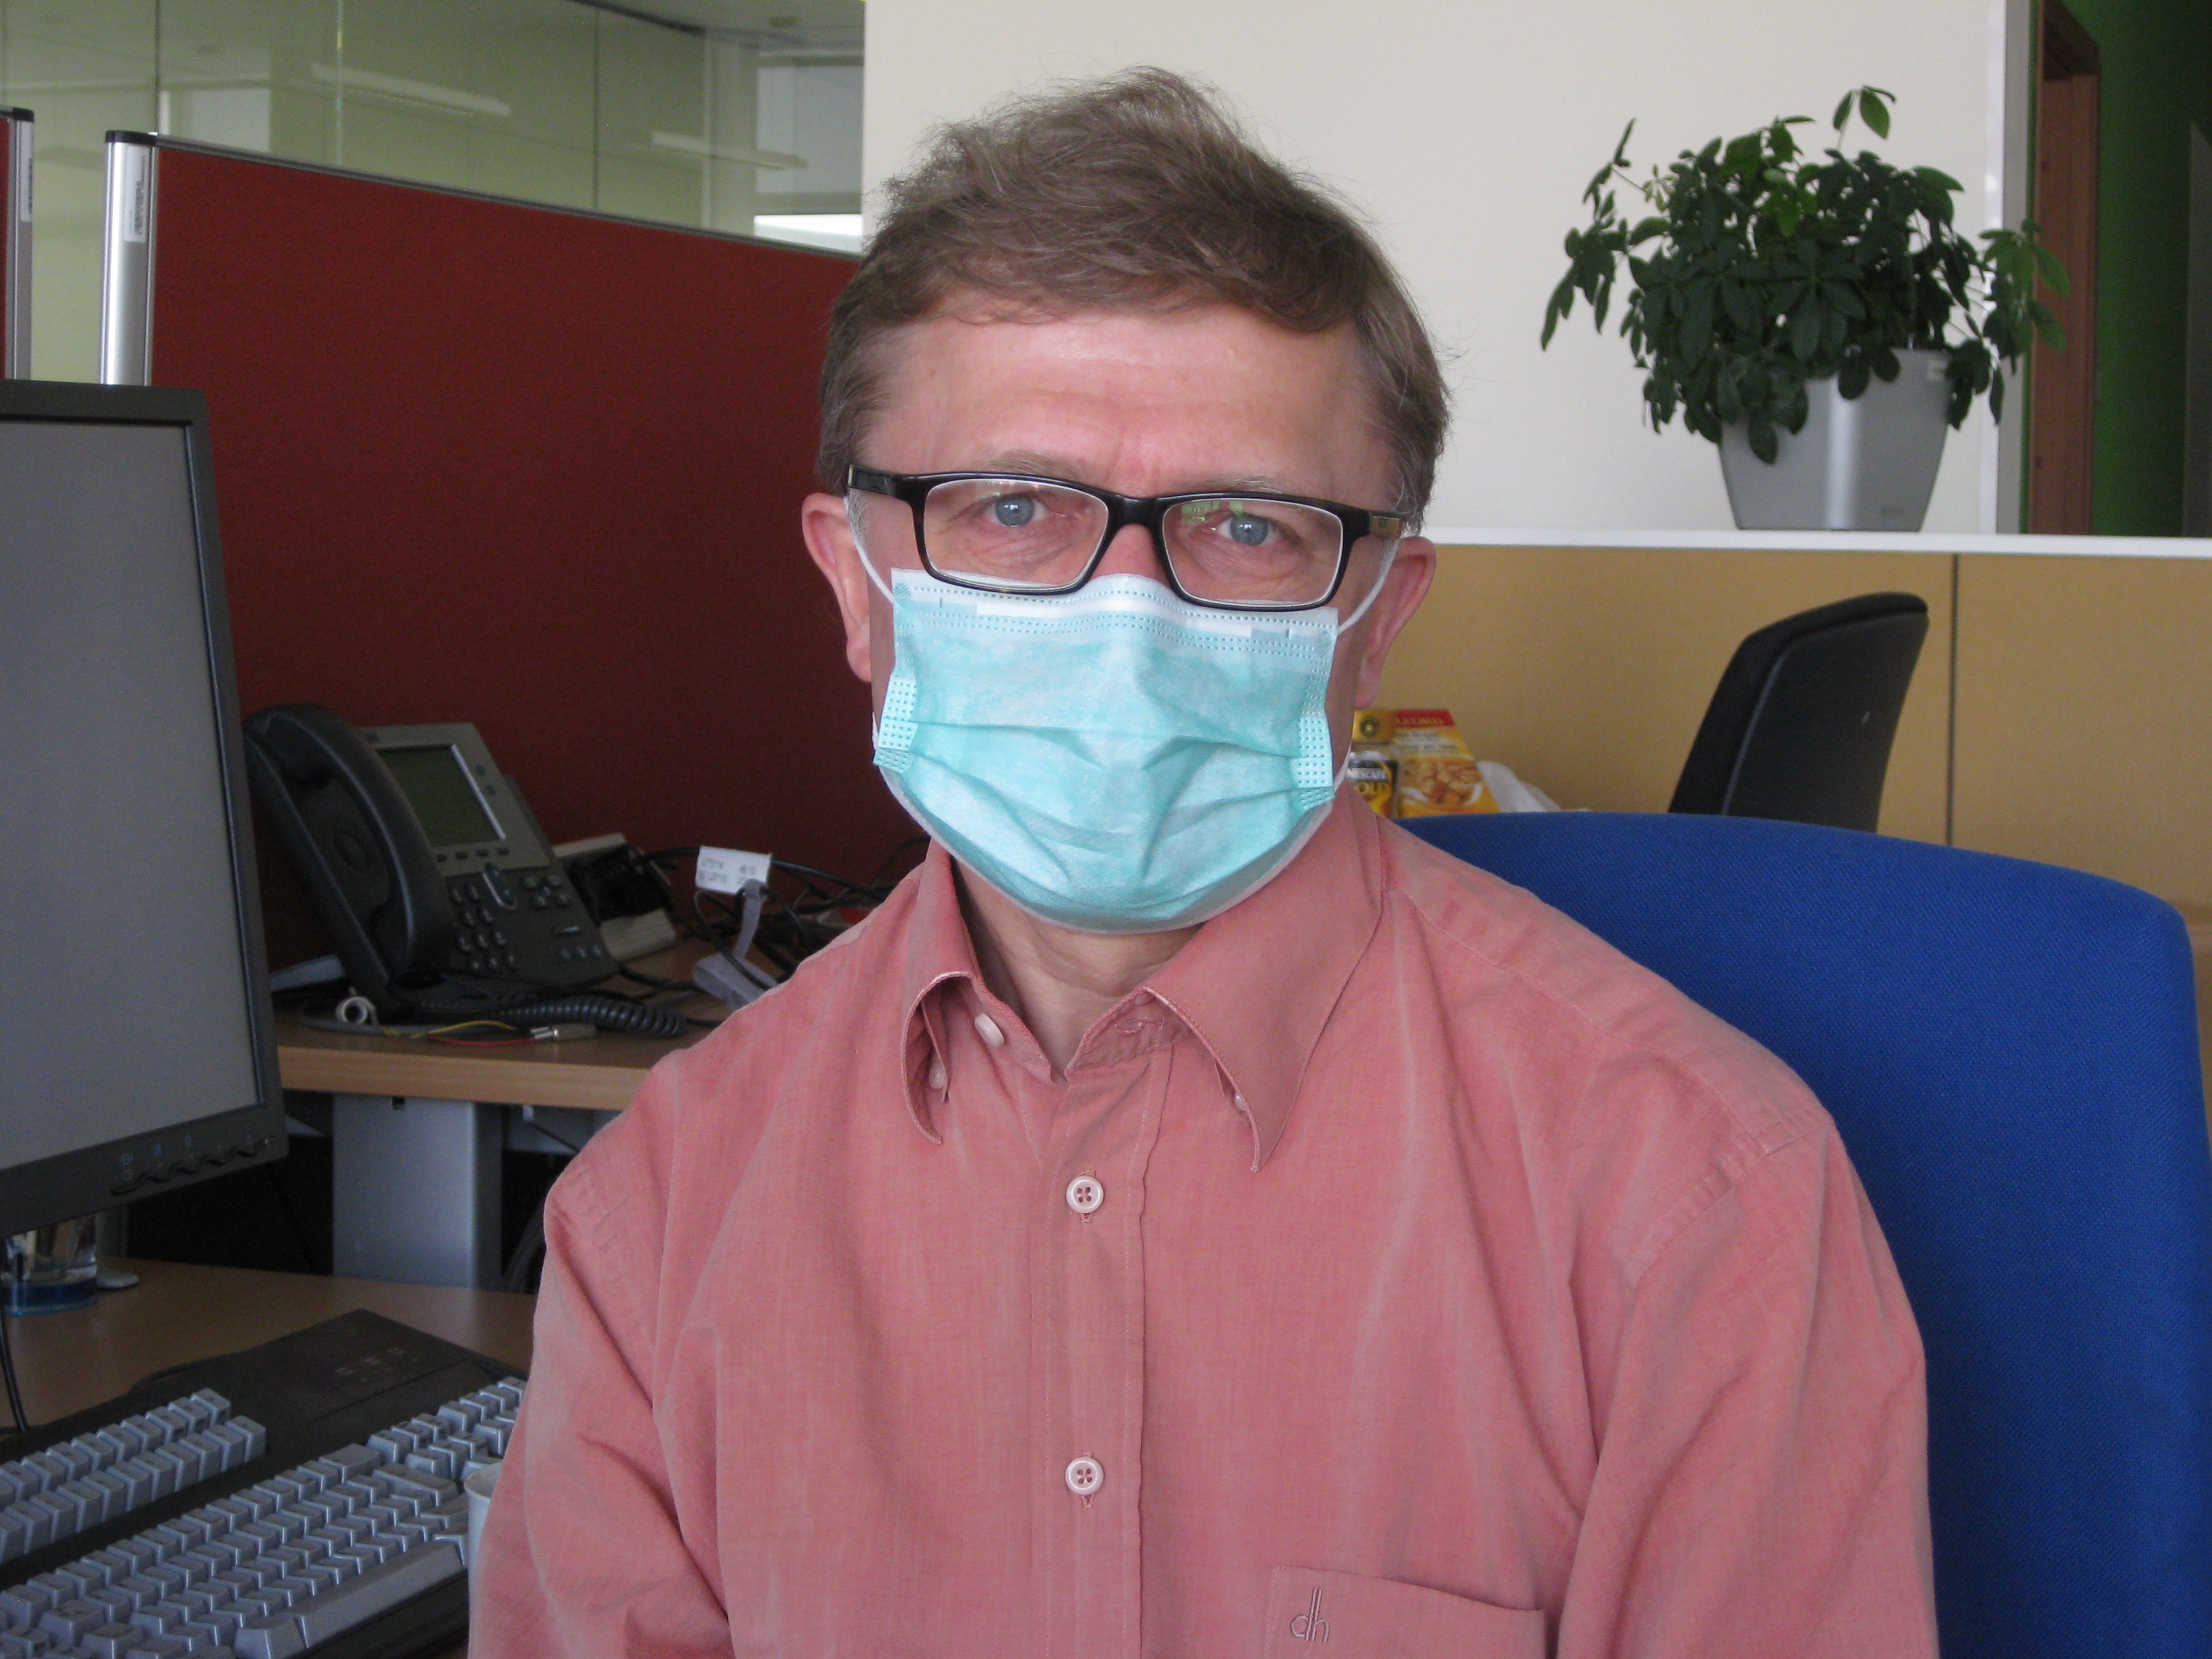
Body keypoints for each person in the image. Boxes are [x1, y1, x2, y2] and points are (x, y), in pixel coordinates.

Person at [473, 69, 1938, 1658]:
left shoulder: (1696, 1200)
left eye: (1247, 527)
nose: (1126, 614)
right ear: (854, 583)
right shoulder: (663, 1210)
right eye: (1011, 507)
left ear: (1377, 614)